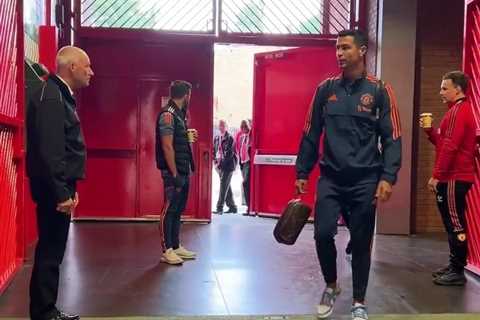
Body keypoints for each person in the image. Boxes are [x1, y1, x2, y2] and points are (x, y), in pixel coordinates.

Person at [295, 29, 402, 320]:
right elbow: (311, 132)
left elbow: (392, 137)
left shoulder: (380, 90)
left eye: (345, 48)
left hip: (366, 180)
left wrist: (387, 177)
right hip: (331, 178)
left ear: (363, 50)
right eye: (337, 48)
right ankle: (331, 285)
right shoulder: (325, 89)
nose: (339, 53)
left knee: (362, 241)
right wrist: (302, 169)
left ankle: (359, 301)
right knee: (322, 233)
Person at [26, 46, 94, 320]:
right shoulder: (53, 97)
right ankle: (43, 313)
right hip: (54, 191)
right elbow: (51, 150)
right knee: (51, 251)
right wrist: (62, 193)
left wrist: (68, 189)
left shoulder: (57, 94)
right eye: (87, 66)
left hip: (59, 188)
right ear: (72, 68)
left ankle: (46, 310)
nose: (91, 72)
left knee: (53, 250)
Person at [421, 71, 477, 286]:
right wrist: (430, 132)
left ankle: (457, 269)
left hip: (455, 177)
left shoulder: (458, 112)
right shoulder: (455, 111)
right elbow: (445, 144)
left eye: (445, 88)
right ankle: (454, 264)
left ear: (458, 90)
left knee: (455, 224)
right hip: (453, 176)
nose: (440, 92)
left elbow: (451, 148)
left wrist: (437, 176)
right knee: (452, 223)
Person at [155, 80, 197, 265]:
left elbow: (176, 141)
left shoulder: (179, 115)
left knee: (178, 209)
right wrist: (174, 174)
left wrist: (186, 136)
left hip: (182, 169)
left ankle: (176, 245)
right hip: (174, 172)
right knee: (169, 209)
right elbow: (166, 146)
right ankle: (167, 250)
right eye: (190, 95)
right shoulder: (168, 115)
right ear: (186, 95)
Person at [213, 119, 237, 214]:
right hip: (219, 165)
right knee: (226, 185)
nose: (221, 127)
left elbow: (229, 154)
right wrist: (215, 162)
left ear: (226, 126)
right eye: (220, 125)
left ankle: (219, 207)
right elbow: (214, 151)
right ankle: (232, 206)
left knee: (223, 186)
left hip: (228, 166)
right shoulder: (217, 138)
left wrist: (221, 164)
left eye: (222, 125)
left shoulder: (230, 138)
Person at [235, 120, 251, 212]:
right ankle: (247, 206)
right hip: (243, 163)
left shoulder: (251, 136)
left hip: (248, 162)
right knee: (245, 184)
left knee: (245, 183)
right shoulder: (241, 137)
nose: (244, 128)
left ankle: (249, 206)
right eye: (243, 127)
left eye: (246, 126)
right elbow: (239, 149)